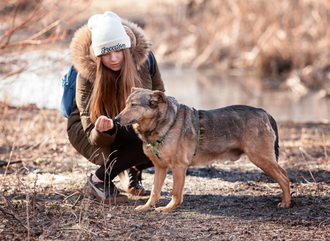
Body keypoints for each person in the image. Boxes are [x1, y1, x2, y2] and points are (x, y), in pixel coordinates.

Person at [67, 11, 165, 203]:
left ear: (127, 48)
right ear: (96, 55)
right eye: (106, 53)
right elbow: (94, 137)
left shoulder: (145, 62)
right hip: (92, 132)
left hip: (128, 124)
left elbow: (160, 102)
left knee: (163, 137)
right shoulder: (85, 76)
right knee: (145, 143)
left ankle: (132, 168)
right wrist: (105, 130)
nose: (114, 59)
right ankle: (98, 180)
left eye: (119, 50)